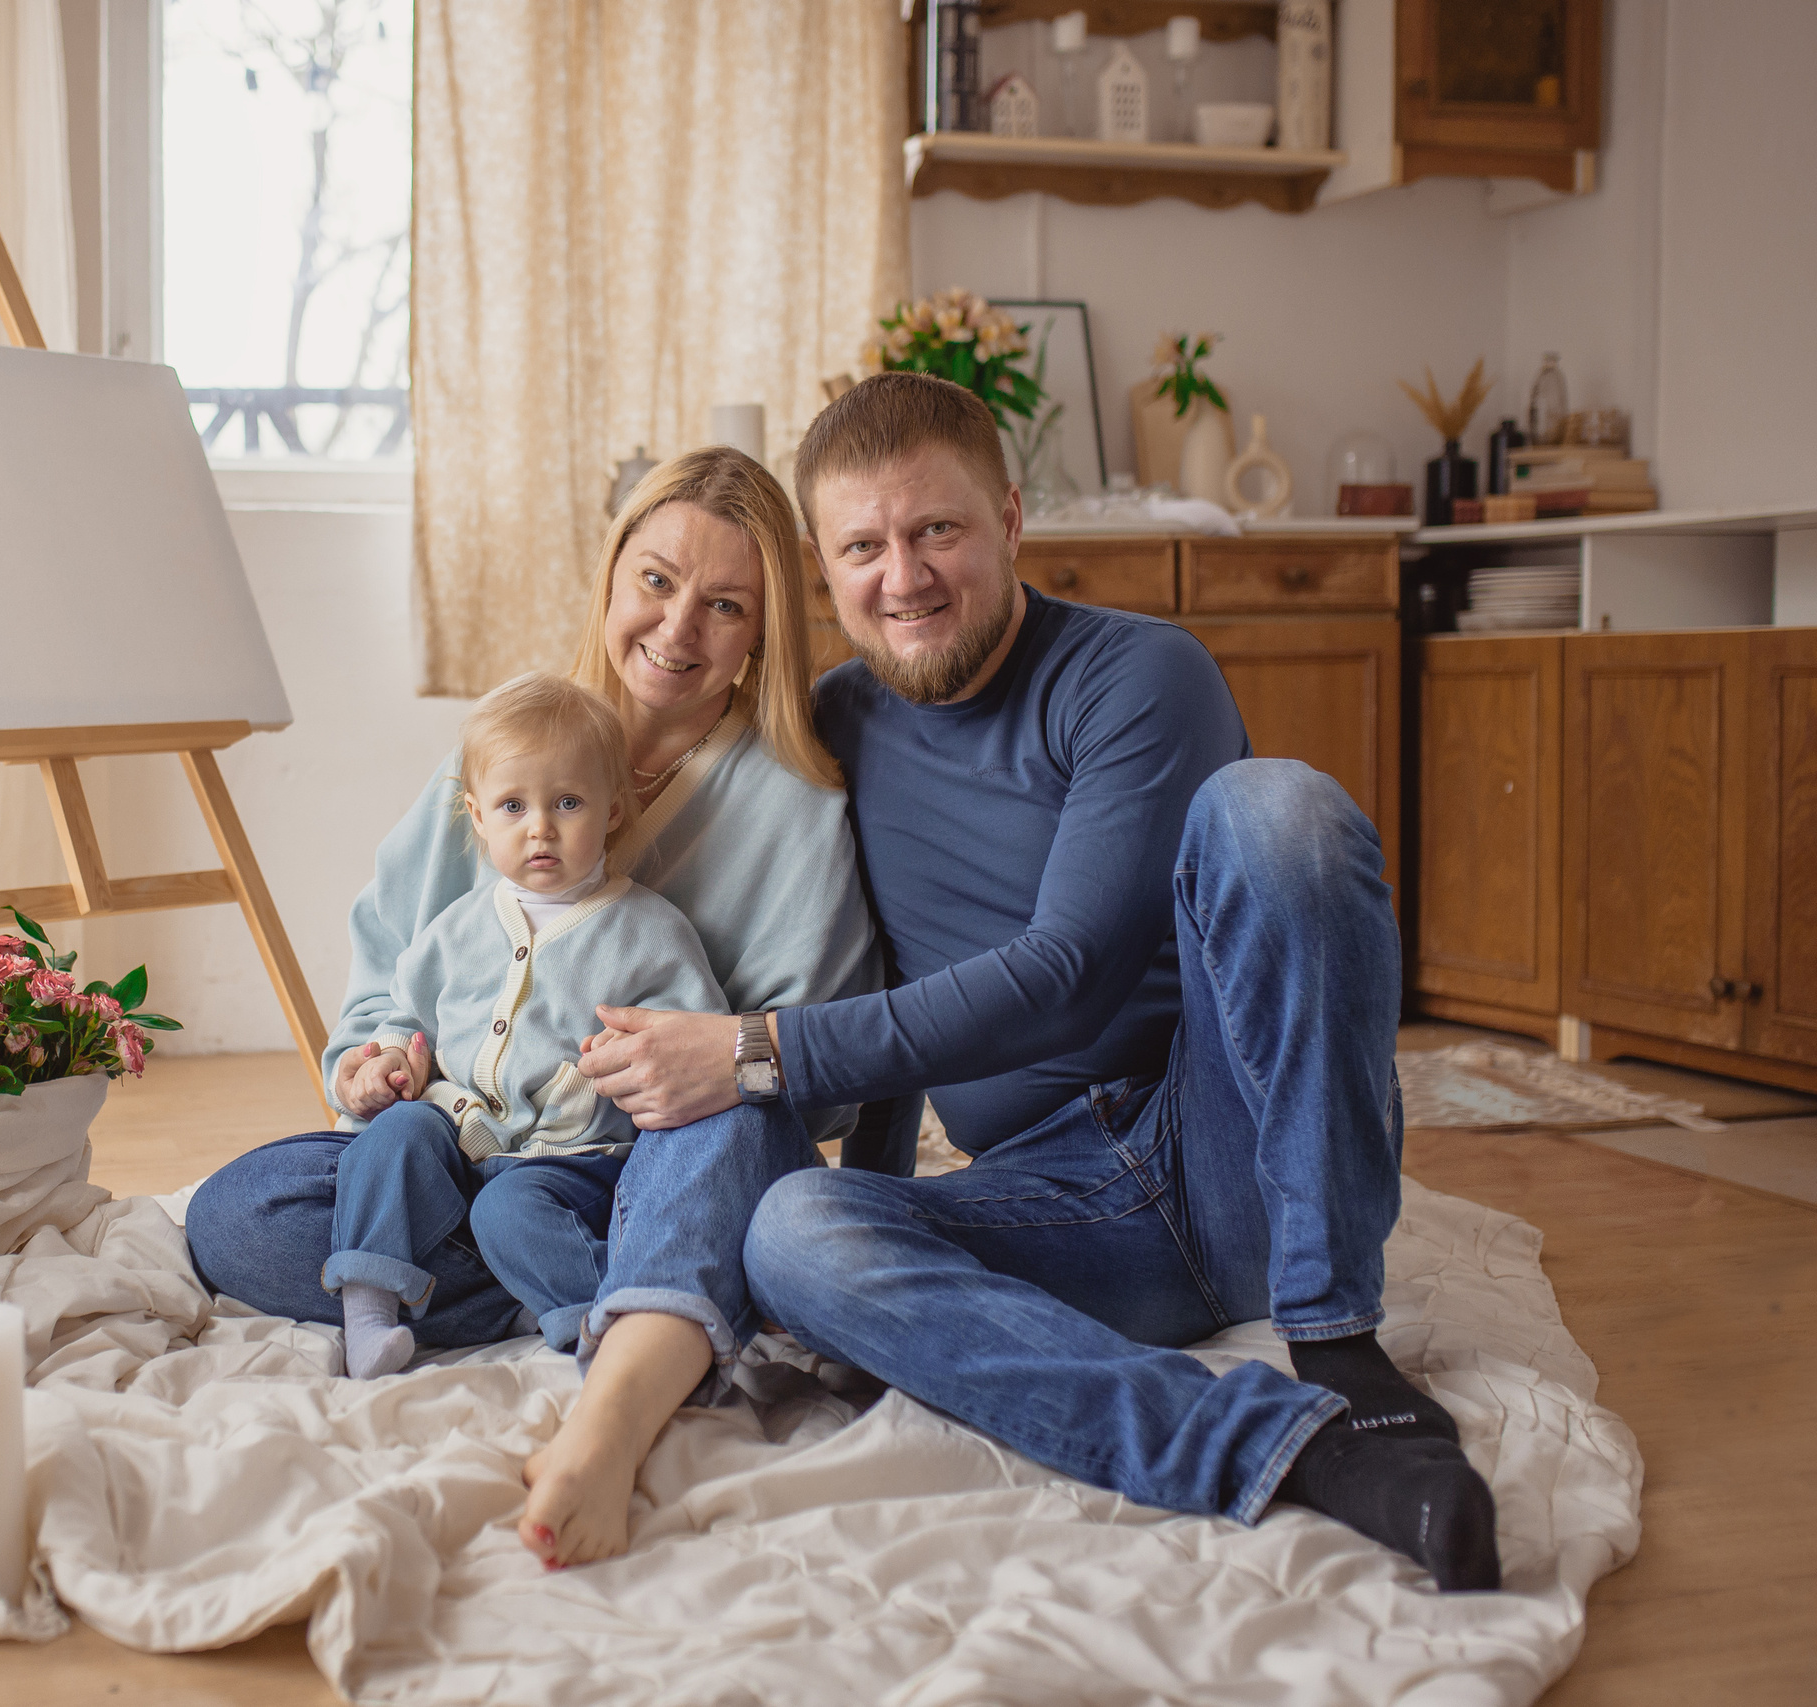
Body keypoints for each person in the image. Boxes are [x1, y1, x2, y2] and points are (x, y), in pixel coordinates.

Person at [576, 372, 1503, 1593]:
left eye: (937, 531)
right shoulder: (836, 727)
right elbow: (873, 958)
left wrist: (754, 1047)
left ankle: (1333, 1339)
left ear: (1011, 519)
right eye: (864, 545)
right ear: (821, 566)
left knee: (1274, 806)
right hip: (1055, 1207)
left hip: (1226, 1154)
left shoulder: (1135, 673)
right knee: (795, 1232)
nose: (901, 576)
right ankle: (1283, 1450)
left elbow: (1069, 976)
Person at [186, 445, 880, 1567]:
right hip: (480, 1151)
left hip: (654, 1165)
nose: (678, 628)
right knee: (236, 1212)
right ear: (610, 581)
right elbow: (387, 974)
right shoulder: (511, 746)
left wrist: (691, 1071)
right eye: (655, 582)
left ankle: (620, 1344)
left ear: (760, 634)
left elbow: (803, 1070)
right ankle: (598, 1299)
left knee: (740, 1120)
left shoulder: (795, 807)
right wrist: (374, 1062)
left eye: (724, 605)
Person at [327, 672, 727, 1377]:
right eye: (513, 805)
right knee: (394, 1135)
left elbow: (701, 1040)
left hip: (573, 1163)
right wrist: (389, 1063)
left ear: (611, 810)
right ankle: (368, 1311)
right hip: (460, 1137)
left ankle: (599, 1327)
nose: (540, 826)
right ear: (477, 817)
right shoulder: (455, 929)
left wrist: (632, 1060)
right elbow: (405, 1017)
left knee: (510, 1211)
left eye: (567, 802)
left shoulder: (649, 932)